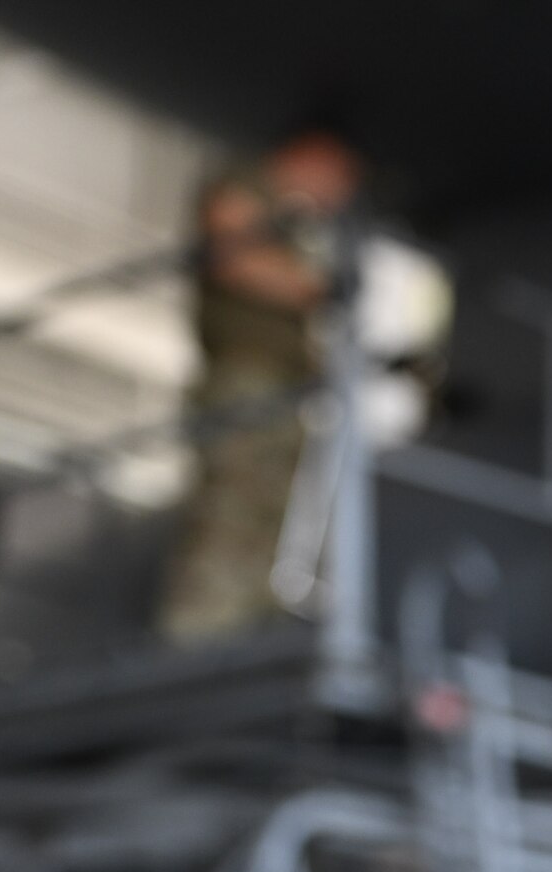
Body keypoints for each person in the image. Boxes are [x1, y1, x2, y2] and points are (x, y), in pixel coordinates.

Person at [157, 134, 364, 641]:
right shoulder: (246, 182)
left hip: (282, 388)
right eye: (340, 182)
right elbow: (234, 256)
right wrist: (314, 288)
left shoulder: (291, 219)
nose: (334, 199)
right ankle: (197, 635)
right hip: (246, 381)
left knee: (272, 517)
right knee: (232, 513)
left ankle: (240, 627)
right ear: (318, 158)